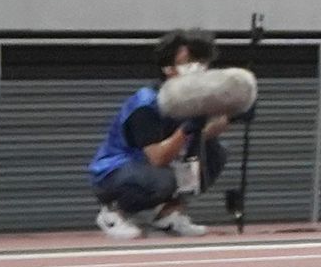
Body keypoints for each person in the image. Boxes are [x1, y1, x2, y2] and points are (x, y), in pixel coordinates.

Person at [89, 29, 231, 240]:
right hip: (117, 170)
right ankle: (113, 212)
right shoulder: (146, 104)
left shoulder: (194, 101)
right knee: (165, 178)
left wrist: (230, 115)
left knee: (214, 153)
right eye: (189, 62)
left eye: (201, 61)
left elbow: (199, 137)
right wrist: (187, 128)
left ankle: (169, 215)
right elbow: (157, 157)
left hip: (156, 167)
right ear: (168, 68)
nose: (197, 68)